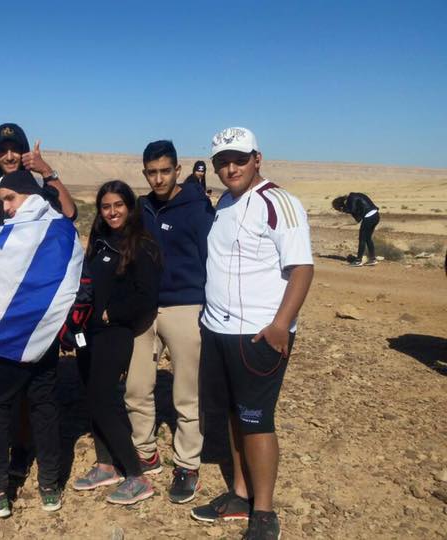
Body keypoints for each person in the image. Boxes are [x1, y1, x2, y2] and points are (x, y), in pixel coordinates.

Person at [192, 127, 314, 540]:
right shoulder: (225, 202)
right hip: (218, 329)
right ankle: (240, 495)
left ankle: (264, 511)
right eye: (223, 162)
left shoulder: (279, 202)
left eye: (239, 160)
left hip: (258, 334)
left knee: (256, 419)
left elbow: (302, 268)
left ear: (257, 158)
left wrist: (281, 324)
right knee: (232, 413)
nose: (231, 168)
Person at [0, 170, 68, 518]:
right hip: (45, 338)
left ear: (28, 194)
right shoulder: (62, 230)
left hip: (8, 339)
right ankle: (50, 488)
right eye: (2, 201)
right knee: (43, 408)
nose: (6, 208)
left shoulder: (14, 235)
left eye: (10, 199)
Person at [121, 140, 215, 504]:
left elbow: (212, 259)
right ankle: (145, 453)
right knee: (136, 387)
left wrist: (210, 308)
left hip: (187, 308)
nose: (158, 179)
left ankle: (187, 464)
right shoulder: (142, 208)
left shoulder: (197, 209)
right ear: (144, 173)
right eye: (152, 172)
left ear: (178, 170)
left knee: (187, 393)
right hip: (146, 310)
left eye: (164, 171)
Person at [67, 181, 162, 506]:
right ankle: (106, 466)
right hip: (88, 333)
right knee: (92, 399)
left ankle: (136, 475)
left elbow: (147, 296)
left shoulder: (142, 245)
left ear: (130, 207)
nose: (112, 212)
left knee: (103, 401)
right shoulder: (100, 241)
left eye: (118, 205)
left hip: (114, 333)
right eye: (106, 206)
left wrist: (112, 314)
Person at [0, 123, 77, 225]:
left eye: (15, 149)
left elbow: (70, 214)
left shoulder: (39, 187)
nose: (9, 157)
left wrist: (46, 170)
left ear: (23, 152)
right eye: (2, 151)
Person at [331, 193, 380, 266]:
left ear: (341, 206)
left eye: (340, 209)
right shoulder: (353, 202)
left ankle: (358, 261)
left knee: (362, 239)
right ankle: (372, 259)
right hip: (376, 216)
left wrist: (346, 210)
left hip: (369, 217)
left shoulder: (351, 198)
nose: (342, 211)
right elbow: (357, 220)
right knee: (367, 238)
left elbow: (352, 210)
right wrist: (342, 224)